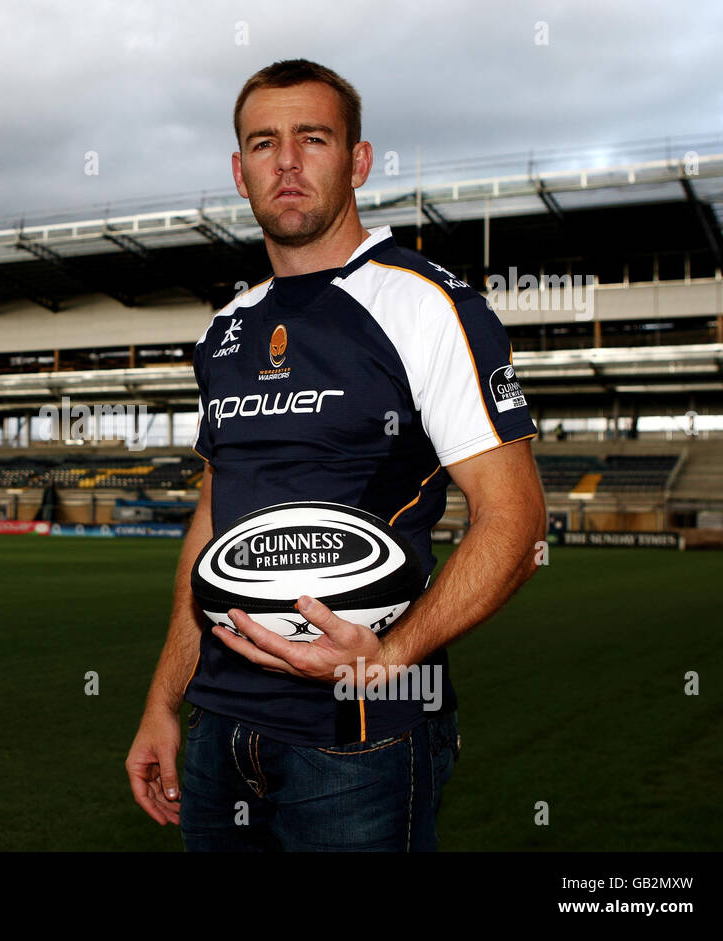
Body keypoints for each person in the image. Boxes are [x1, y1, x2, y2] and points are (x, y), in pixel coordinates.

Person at [125, 60, 546, 851]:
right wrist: (164, 700)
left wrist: (389, 657)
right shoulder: (227, 329)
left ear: (357, 160)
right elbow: (214, 521)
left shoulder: (426, 305)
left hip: (359, 737)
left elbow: (516, 519)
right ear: (238, 170)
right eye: (263, 143)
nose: (286, 162)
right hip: (221, 730)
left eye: (311, 138)